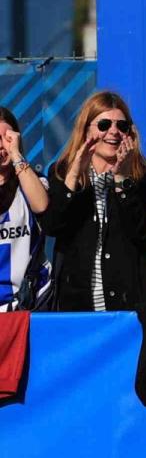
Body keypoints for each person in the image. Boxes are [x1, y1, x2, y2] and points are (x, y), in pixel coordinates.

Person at [40, 92, 146, 311]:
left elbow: (141, 232)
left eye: (121, 126)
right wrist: (74, 175)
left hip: (130, 306)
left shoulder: (144, 179)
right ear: (86, 129)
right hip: (77, 305)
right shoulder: (60, 172)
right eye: (104, 124)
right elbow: (53, 226)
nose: (113, 132)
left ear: (130, 133)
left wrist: (122, 180)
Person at [0, 108, 50, 311]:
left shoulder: (32, 182)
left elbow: (41, 205)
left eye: (7, 138)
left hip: (31, 302)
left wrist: (15, 155)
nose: (2, 145)